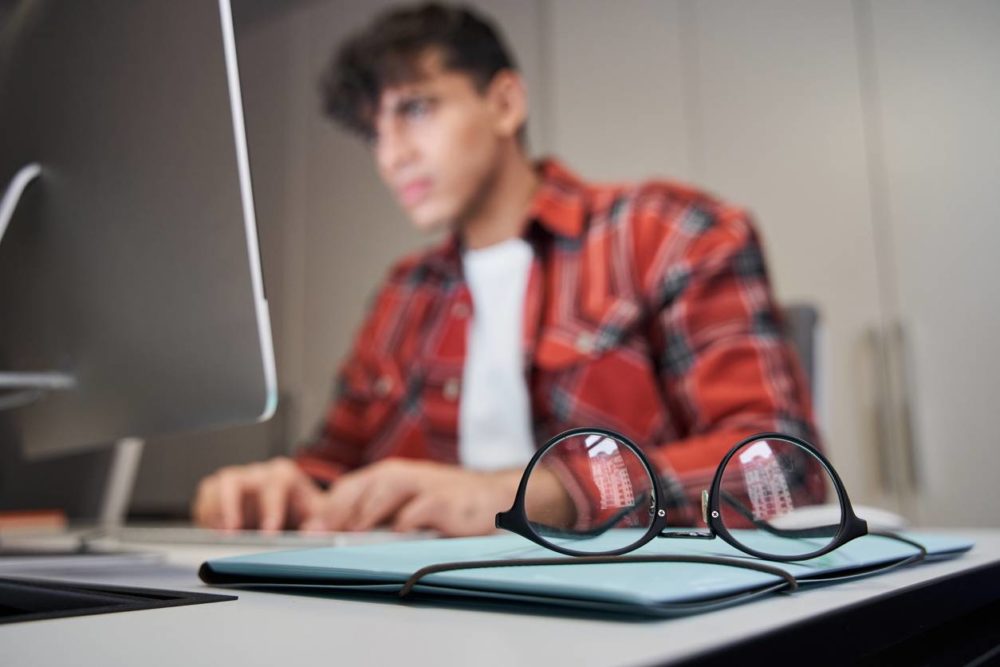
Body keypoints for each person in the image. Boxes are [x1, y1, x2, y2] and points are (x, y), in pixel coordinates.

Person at [192, 2, 818, 537]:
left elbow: (782, 468)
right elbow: (336, 463)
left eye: (415, 110)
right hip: (420, 604)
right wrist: (282, 487)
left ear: (504, 103)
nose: (391, 156)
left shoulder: (667, 233)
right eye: (374, 132)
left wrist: (539, 495)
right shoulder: (404, 293)